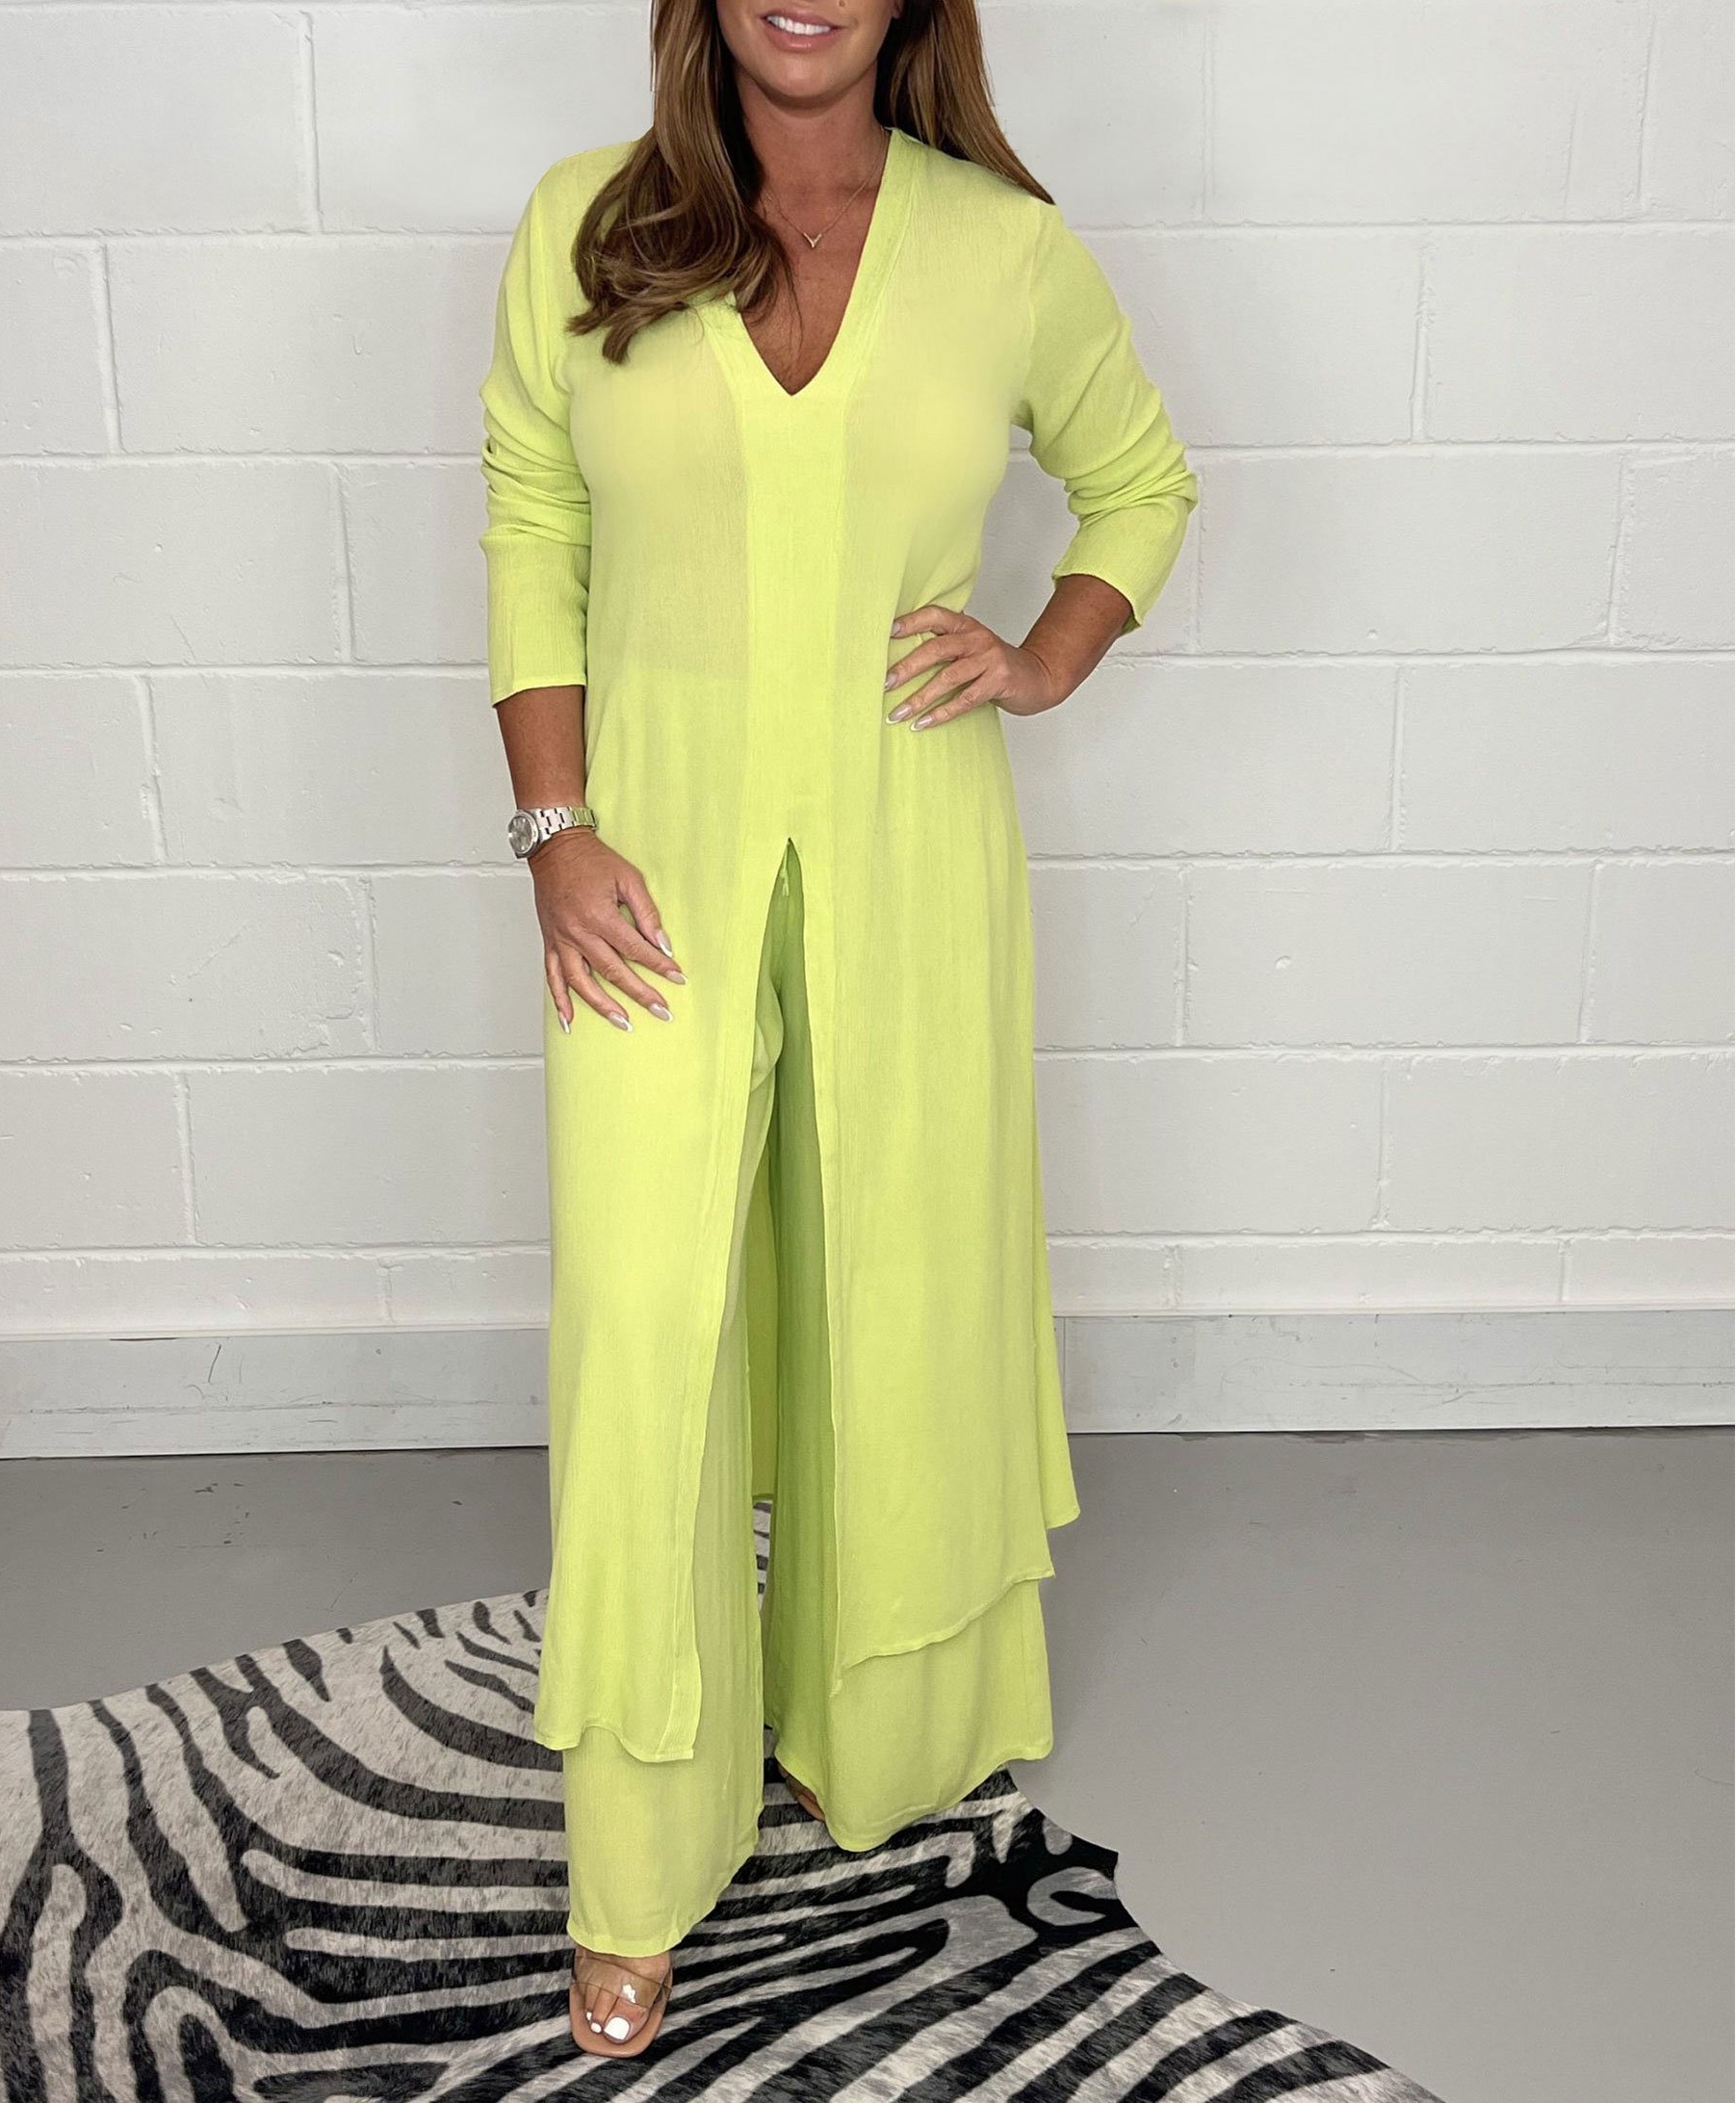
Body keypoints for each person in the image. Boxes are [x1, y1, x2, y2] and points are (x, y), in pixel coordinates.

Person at [478, 0, 1198, 2059]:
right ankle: (638, 1862)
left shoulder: (1003, 248)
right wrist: (554, 831)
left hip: (913, 859)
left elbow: (1143, 486)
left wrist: (1042, 655)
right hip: (652, 871)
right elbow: (533, 519)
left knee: (895, 1296)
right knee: (648, 1338)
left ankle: (869, 1735)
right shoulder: (587, 224)